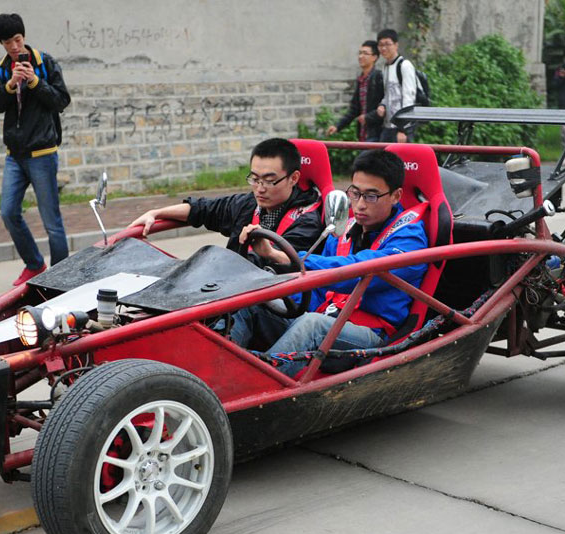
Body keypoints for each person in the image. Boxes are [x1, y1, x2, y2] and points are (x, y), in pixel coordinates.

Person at [231, 149, 428, 376]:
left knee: (313, 325)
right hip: (328, 318)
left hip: (371, 335)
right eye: (355, 193)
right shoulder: (344, 231)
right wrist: (279, 299)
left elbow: (358, 269)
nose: (360, 204)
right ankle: (208, 374)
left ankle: (250, 386)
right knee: (250, 300)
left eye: (371, 196)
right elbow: (318, 290)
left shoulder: (410, 239)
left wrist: (280, 255)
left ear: (396, 196)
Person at [0, 13, 72, 286]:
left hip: (43, 154)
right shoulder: (0, 69)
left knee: (52, 221)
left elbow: (61, 100)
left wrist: (35, 82)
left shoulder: (44, 62)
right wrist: (10, 85)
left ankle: (60, 276)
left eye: (17, 40)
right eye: (7, 42)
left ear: (23, 37)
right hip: (15, 155)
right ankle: (34, 265)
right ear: (1, 43)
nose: (13, 46)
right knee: (8, 212)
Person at [129, 138, 324, 256]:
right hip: (231, 295)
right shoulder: (248, 204)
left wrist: (270, 253)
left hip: (270, 306)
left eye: (269, 180)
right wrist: (155, 213)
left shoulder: (307, 220)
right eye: (254, 179)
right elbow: (203, 209)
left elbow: (288, 263)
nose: (260, 188)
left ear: (293, 178)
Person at [326, 41, 385, 143]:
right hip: (363, 134)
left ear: (374, 57)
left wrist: (368, 117)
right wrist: (337, 126)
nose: (361, 56)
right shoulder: (361, 80)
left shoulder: (379, 78)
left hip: (377, 134)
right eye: (360, 53)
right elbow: (354, 109)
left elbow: (386, 105)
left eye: (365, 53)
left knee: (362, 159)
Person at [375, 28, 417, 144]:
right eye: (381, 45)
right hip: (388, 126)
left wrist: (403, 129)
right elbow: (388, 93)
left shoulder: (404, 66)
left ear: (396, 45)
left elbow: (409, 98)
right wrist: (382, 105)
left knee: (403, 161)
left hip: (401, 128)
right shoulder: (385, 67)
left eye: (388, 44)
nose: (384, 48)